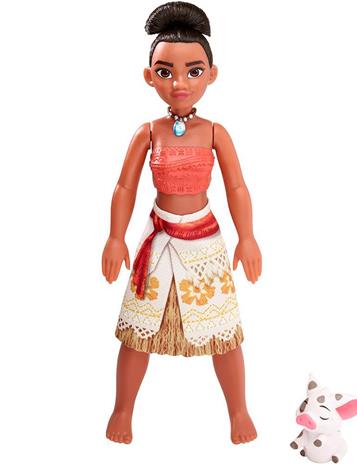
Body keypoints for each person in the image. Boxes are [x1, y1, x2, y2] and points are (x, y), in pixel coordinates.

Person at [101, 1, 262, 445]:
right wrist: (115, 237)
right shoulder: (148, 132)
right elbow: (124, 187)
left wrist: (247, 237)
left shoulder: (215, 133)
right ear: (149, 76)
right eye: (165, 71)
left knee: (225, 334)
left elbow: (237, 188)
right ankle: (122, 410)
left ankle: (239, 412)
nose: (179, 83)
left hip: (204, 241)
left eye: (193, 71)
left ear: (211, 74)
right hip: (157, 240)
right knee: (136, 332)